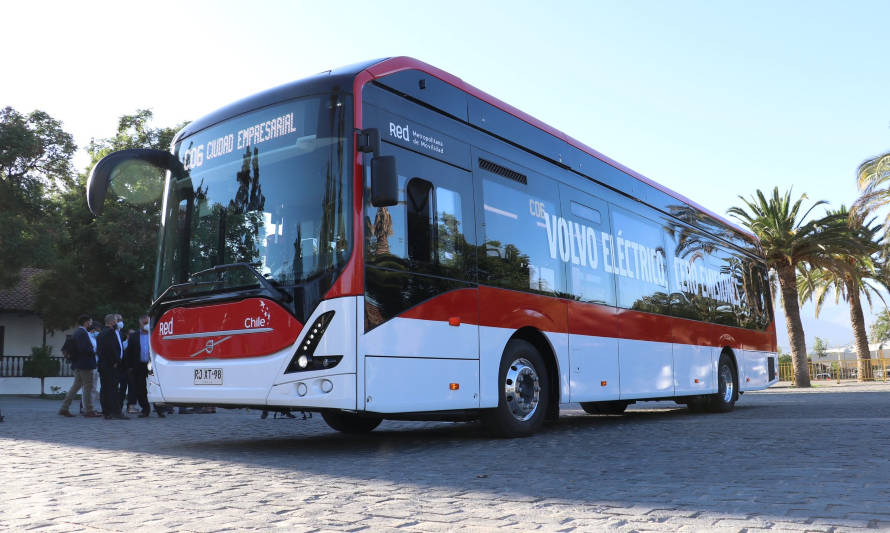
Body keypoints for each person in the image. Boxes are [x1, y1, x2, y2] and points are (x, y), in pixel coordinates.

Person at [59, 315, 101, 418]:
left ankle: (64, 408)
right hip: (85, 365)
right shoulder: (82, 333)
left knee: (76, 386)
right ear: (86, 322)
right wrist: (95, 351)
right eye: (90, 322)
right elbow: (84, 349)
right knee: (88, 387)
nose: (91, 324)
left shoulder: (78, 332)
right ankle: (89, 410)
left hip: (78, 364)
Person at [124, 315, 163, 418]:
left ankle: (159, 409)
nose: (146, 325)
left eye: (148, 323)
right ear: (140, 324)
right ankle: (145, 409)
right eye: (144, 323)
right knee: (140, 389)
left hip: (152, 366)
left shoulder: (155, 334)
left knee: (155, 387)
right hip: (139, 365)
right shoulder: (134, 336)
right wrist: (129, 367)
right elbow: (129, 352)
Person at [97, 314, 128, 420]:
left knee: (105, 388)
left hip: (104, 365)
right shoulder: (110, 332)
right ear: (111, 322)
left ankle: (107, 412)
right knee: (113, 389)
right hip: (110, 365)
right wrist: (115, 361)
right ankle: (116, 412)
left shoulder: (102, 333)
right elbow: (110, 349)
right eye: (116, 321)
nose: (117, 323)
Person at [114, 313, 129, 411]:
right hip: (114, 365)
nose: (121, 322)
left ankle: (119, 407)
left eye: (121, 320)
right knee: (114, 387)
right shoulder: (111, 332)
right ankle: (113, 407)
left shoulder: (120, 333)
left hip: (123, 365)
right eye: (118, 320)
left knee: (123, 387)